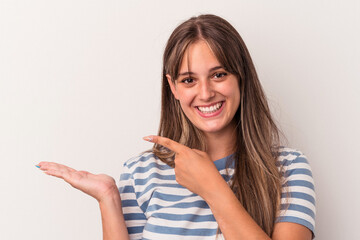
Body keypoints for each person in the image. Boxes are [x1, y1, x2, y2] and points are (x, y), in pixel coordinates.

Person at [37, 14, 316, 240]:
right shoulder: (140, 173)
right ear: (173, 87)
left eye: (219, 75)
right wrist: (108, 199)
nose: (205, 93)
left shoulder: (287, 168)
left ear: (241, 77)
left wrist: (211, 186)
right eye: (189, 80)